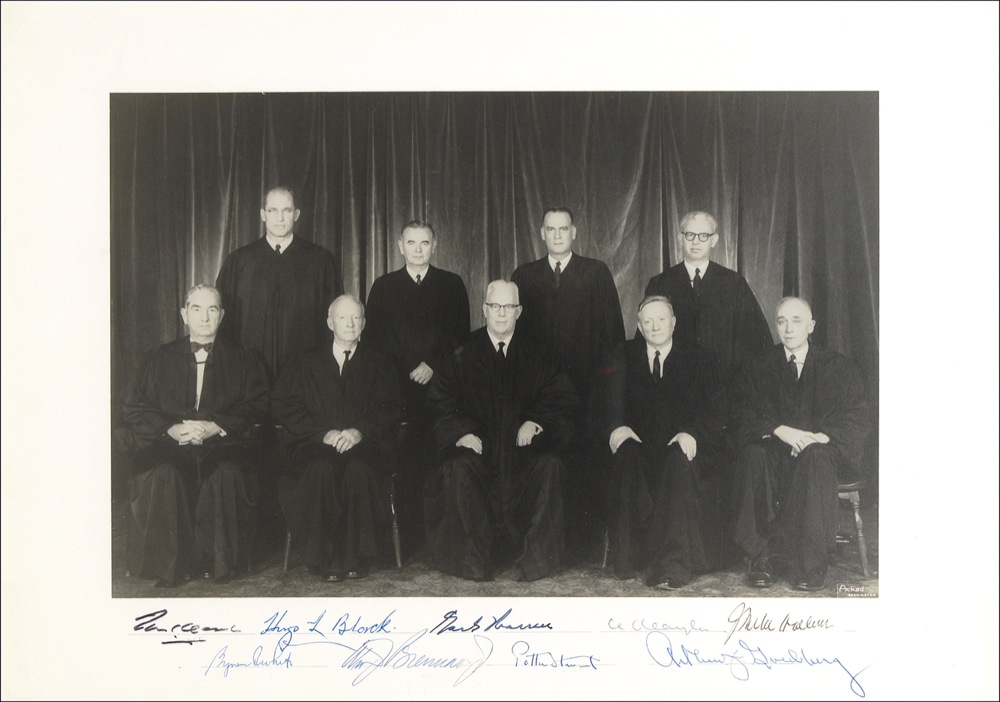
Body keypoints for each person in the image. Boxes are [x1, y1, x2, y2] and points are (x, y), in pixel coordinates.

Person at [424, 280, 579, 581]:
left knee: (551, 466)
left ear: (519, 311)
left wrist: (536, 422)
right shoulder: (461, 353)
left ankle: (534, 562)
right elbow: (439, 403)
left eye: (508, 307)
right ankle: (474, 561)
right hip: (480, 460)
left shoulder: (539, 353)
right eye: (495, 306)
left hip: (522, 461)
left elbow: (563, 399)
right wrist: (460, 433)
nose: (502, 313)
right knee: (457, 468)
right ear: (484, 309)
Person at [121, 285, 269, 587]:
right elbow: (135, 407)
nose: (204, 317)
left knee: (226, 474)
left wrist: (217, 426)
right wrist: (171, 429)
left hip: (225, 443)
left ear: (222, 315)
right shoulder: (158, 358)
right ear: (184, 314)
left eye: (212, 309)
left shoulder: (244, 358)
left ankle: (219, 564)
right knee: (165, 474)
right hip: (170, 443)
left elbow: (260, 404)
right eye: (196, 309)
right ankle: (172, 567)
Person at [731, 296, 873, 591]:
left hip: (819, 455)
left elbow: (857, 415)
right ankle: (761, 557)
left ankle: (811, 563)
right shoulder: (758, 367)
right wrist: (780, 430)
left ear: (811, 326)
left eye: (796, 321)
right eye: (782, 321)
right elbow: (742, 413)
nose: (789, 328)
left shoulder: (837, 367)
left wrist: (820, 437)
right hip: (774, 453)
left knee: (817, 457)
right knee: (752, 455)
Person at [510, 206, 625, 560]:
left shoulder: (596, 273)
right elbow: (514, 338)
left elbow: (613, 339)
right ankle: (543, 545)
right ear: (541, 233)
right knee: (545, 463)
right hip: (540, 396)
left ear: (574, 232)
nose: (557, 235)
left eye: (564, 229)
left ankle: (582, 546)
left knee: (585, 462)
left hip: (588, 392)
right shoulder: (525, 276)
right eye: (551, 229)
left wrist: (606, 394)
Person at [271, 295, 402, 581]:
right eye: (343, 317)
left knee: (358, 470)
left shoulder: (379, 361)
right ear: (330, 323)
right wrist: (323, 434)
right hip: (315, 445)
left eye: (356, 317)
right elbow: (284, 406)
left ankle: (354, 557)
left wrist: (359, 431)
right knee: (321, 470)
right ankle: (325, 558)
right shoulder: (305, 361)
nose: (350, 323)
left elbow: (391, 407)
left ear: (364, 323)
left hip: (363, 445)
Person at [600, 296, 723, 589]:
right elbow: (603, 403)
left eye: (661, 319)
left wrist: (692, 432)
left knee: (678, 461)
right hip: (640, 449)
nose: (655, 326)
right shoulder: (622, 356)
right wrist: (617, 427)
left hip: (680, 450)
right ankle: (628, 558)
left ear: (673, 323)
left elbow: (715, 411)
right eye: (648, 321)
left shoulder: (699, 358)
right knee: (625, 455)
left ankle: (673, 565)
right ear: (640, 327)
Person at [364, 220, 470, 552]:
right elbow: (376, 340)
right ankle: (407, 536)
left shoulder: (451, 285)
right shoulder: (383, 287)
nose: (418, 249)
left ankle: (439, 536)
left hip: (441, 388)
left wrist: (432, 366)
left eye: (425, 243)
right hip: (398, 390)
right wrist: (411, 366)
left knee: (439, 457)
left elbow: (460, 336)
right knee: (403, 459)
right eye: (411, 243)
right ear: (400, 246)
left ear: (435, 246)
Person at [215, 185, 342, 380]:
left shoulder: (319, 260)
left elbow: (336, 320)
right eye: (273, 210)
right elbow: (223, 323)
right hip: (249, 376)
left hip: (305, 376)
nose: (280, 218)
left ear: (296, 214)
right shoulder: (240, 261)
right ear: (263, 214)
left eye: (286, 210)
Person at [643, 210, 771, 389]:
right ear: (680, 239)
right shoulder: (660, 283)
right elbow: (646, 340)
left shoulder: (734, 283)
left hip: (724, 388)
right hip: (674, 387)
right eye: (690, 235)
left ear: (714, 240)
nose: (696, 242)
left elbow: (755, 340)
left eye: (703, 236)